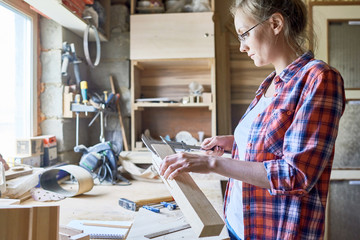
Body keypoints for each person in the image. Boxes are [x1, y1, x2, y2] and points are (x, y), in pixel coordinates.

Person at [159, 0, 346, 239]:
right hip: (239, 223)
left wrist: (210, 164)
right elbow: (273, 146)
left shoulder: (319, 78)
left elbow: (296, 175)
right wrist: (235, 142)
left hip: (276, 231)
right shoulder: (269, 82)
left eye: (244, 34)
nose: (242, 47)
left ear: (276, 23)